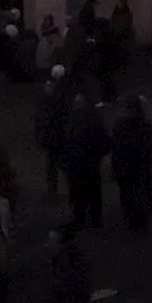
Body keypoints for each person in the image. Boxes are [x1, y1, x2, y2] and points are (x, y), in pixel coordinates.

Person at [61, 95, 110, 229]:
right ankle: (93, 219)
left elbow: (65, 145)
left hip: (78, 166)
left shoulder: (71, 123)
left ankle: (81, 217)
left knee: (80, 194)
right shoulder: (91, 122)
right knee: (92, 193)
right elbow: (105, 143)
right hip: (88, 165)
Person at [110, 94, 152, 232]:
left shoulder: (139, 125)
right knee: (130, 194)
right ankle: (134, 220)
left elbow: (148, 145)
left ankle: (138, 222)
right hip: (129, 166)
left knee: (135, 194)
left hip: (134, 166)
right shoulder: (124, 125)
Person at [36, 78, 69, 197]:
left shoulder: (59, 102)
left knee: (63, 166)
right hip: (50, 140)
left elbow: (64, 121)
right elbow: (39, 122)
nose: (48, 88)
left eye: (50, 86)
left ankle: (70, 189)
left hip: (59, 140)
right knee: (51, 168)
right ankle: (52, 191)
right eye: (47, 86)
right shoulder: (43, 103)